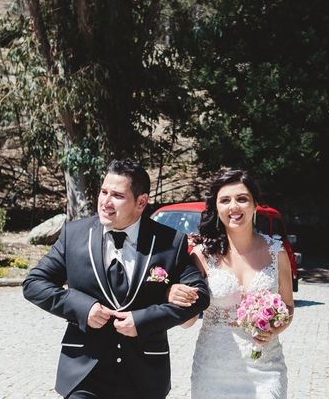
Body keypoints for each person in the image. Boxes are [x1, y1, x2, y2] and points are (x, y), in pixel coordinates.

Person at [23, 158, 210, 399]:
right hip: (84, 372)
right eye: (103, 192)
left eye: (117, 196)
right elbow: (34, 284)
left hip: (144, 377)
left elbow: (200, 297)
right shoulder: (74, 235)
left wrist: (142, 321)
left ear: (141, 202)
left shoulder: (170, 241)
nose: (105, 202)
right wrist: (83, 308)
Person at [168, 169, 294, 399]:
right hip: (212, 371)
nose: (234, 206)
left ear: (255, 205)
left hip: (265, 367)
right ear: (216, 208)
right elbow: (188, 322)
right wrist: (175, 296)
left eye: (242, 199)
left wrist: (276, 328)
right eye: (225, 200)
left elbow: (288, 307)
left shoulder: (277, 252)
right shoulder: (202, 256)